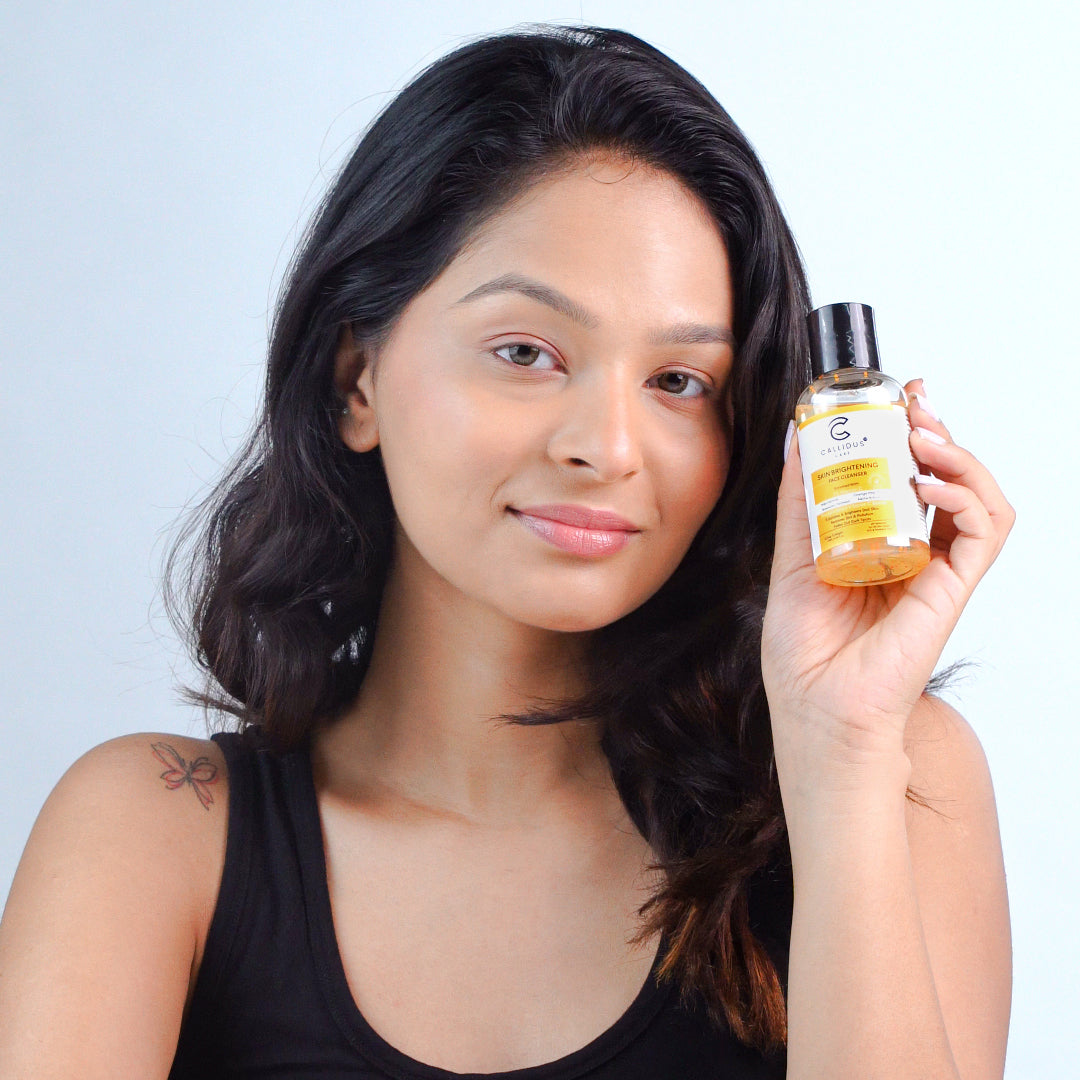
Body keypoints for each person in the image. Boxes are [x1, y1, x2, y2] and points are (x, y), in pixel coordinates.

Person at [0, 24, 1013, 1080]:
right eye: (527, 352)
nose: (608, 448)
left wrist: (840, 752)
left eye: (678, 382)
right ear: (357, 382)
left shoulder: (891, 773)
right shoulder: (155, 835)